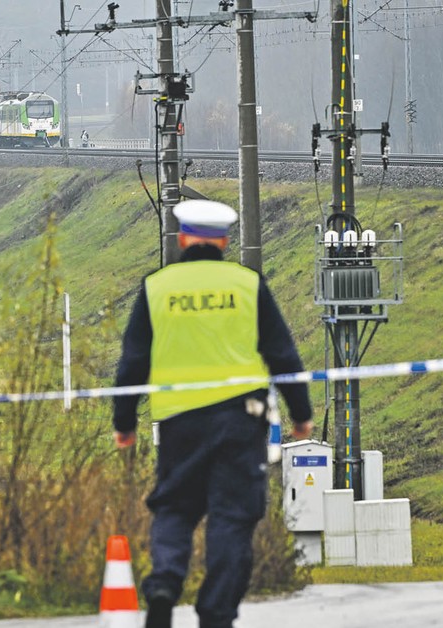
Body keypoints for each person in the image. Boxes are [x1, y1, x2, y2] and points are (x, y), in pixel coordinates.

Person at [113, 199, 313, 628]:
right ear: (223, 241)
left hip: (178, 421)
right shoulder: (247, 284)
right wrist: (302, 415)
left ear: (183, 238)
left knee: (175, 508)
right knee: (232, 514)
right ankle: (216, 612)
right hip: (240, 422)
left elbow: (132, 362)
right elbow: (281, 353)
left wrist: (124, 424)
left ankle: (165, 583)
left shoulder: (156, 287)